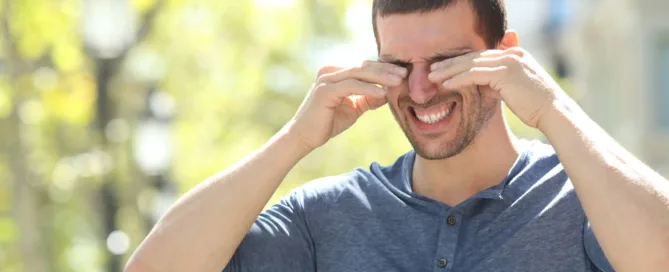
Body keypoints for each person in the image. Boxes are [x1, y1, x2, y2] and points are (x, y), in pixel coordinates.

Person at [125, 0, 669, 271]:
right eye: (398, 64)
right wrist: (294, 139)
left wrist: (553, 109)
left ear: (504, 57)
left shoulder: (583, 200)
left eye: (448, 62)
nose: (422, 89)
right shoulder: (326, 218)